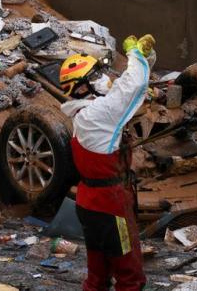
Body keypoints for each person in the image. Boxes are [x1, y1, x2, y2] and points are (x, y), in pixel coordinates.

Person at [59, 34, 156, 291]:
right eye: (95, 76)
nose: (103, 78)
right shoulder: (97, 114)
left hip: (92, 204)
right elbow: (131, 88)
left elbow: (125, 91)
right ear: (81, 88)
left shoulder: (87, 113)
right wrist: (135, 55)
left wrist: (145, 59)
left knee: (98, 275)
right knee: (130, 277)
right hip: (110, 207)